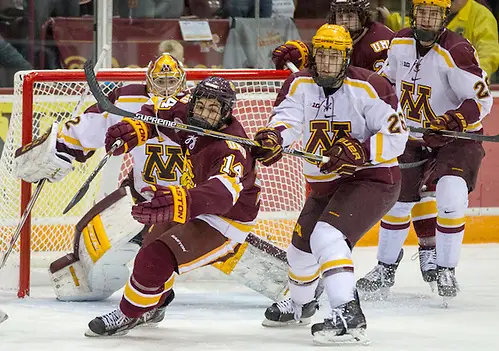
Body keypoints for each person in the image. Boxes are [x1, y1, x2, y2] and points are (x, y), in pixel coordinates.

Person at [251, 24, 408, 344]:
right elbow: (287, 120)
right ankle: (301, 303)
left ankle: (347, 314)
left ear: (347, 57)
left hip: (372, 178)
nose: (326, 62)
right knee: (299, 255)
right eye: (321, 55)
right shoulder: (299, 85)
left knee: (327, 235)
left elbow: (397, 136)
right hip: (324, 185)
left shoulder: (371, 86)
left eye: (334, 56)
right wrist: (274, 138)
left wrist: (362, 151)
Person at [14, 54, 187, 327]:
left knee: (167, 252)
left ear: (183, 82)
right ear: (149, 80)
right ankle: (131, 291)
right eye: (160, 81)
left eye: (171, 81)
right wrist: (61, 148)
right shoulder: (131, 100)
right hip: (143, 198)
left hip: (187, 203)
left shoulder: (199, 108)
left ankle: (153, 301)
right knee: (99, 244)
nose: (166, 87)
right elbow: (91, 126)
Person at [84, 76, 262, 337]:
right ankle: (156, 303)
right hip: (194, 200)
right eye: (201, 106)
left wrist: (179, 202)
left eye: (213, 110)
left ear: (226, 114)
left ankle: (128, 314)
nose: (204, 114)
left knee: (154, 257)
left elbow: (222, 195)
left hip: (225, 219)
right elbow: (155, 113)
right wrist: (136, 130)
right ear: (192, 103)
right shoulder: (184, 109)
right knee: (149, 247)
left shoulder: (232, 148)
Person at [358, 0, 492, 302]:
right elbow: (387, 82)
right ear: (413, 15)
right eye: (422, 13)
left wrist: (453, 119)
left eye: (434, 14)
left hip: (456, 137)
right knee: (396, 201)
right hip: (412, 136)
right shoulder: (401, 41)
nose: (427, 20)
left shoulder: (456, 51)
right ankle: (384, 269)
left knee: (451, 195)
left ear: (444, 17)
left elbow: (481, 101)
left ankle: (446, 269)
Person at [377, 0, 499, 78]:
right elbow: (414, 29)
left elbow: (489, 53)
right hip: (428, 78)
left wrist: (474, 77)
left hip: (460, 80)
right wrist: (390, 19)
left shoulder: (481, 15)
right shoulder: (435, 7)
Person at [272, 0, 394, 73]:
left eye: (350, 16)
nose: (344, 22)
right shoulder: (331, 32)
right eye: (340, 17)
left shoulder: (379, 41)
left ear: (362, 17)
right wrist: (305, 53)